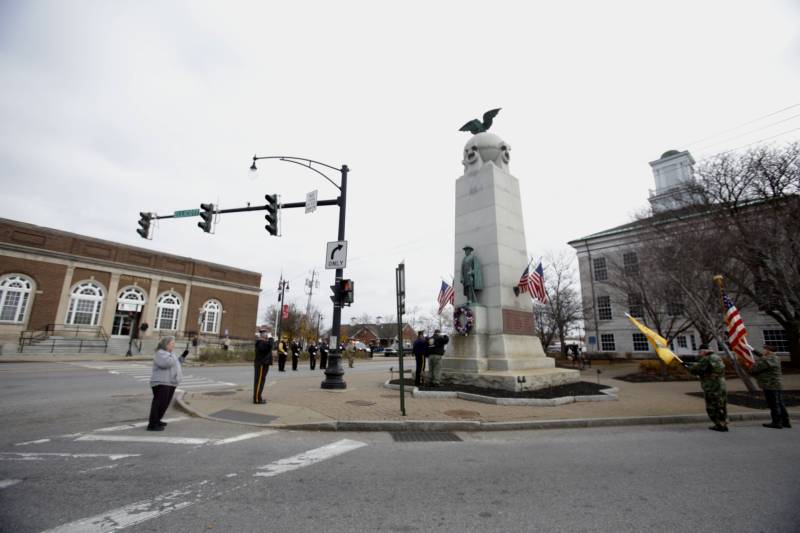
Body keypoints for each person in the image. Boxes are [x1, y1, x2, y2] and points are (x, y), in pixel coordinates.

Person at [147, 336, 189, 431]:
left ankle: (158, 420)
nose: (174, 346)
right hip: (161, 382)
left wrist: (182, 357)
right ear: (166, 344)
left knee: (164, 403)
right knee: (158, 403)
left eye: (174, 344)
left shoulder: (170, 354)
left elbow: (176, 363)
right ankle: (152, 424)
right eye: (172, 344)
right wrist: (173, 356)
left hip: (170, 382)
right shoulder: (160, 353)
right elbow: (166, 363)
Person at [685, 344, 728, 432]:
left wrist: (687, 367)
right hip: (721, 383)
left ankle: (719, 424)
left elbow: (697, 369)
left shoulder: (706, 359)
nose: (699, 354)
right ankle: (724, 423)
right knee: (721, 404)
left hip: (712, 385)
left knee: (712, 405)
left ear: (704, 352)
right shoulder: (716, 357)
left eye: (700, 352)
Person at [748, 344, 791, 429]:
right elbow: (763, 357)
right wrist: (752, 350)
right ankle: (785, 421)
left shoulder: (769, 359)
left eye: (764, 349)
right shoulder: (774, 357)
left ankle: (777, 422)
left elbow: (756, 368)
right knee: (780, 403)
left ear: (768, 350)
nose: (763, 351)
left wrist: (751, 369)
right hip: (775, 384)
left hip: (770, 385)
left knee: (774, 404)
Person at [253, 332, 273, 404]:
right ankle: (257, 399)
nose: (267, 337)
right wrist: (271, 338)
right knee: (259, 381)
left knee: (261, 381)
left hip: (264, 364)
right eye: (266, 335)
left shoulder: (263, 342)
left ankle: (258, 397)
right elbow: (270, 345)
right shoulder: (260, 342)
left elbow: (269, 348)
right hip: (261, 364)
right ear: (263, 336)